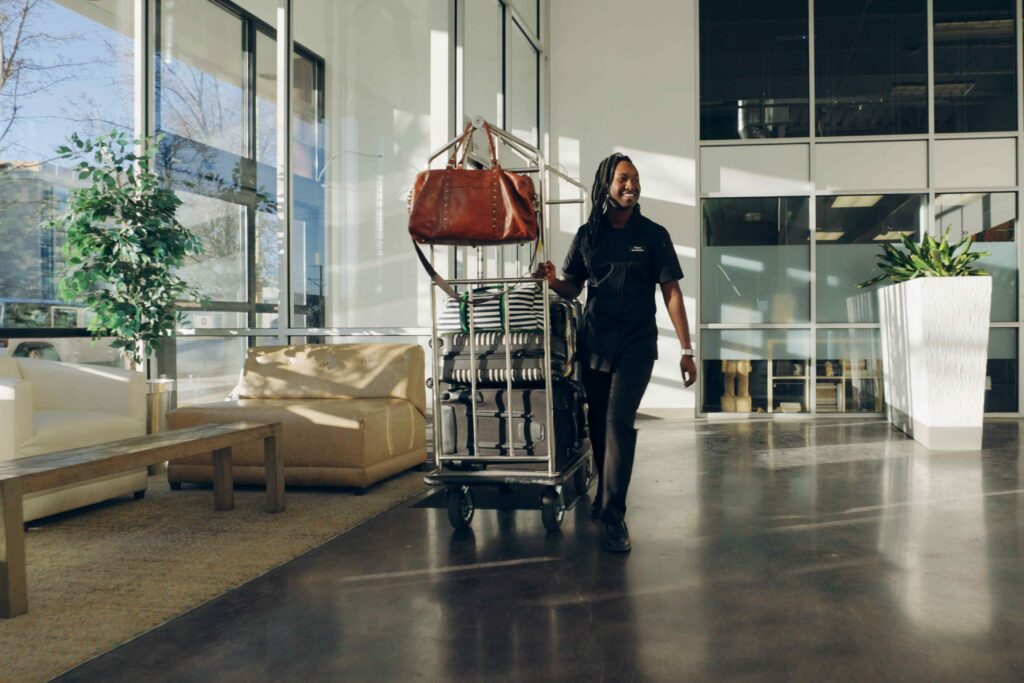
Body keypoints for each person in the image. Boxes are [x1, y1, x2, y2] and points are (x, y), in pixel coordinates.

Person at [534, 153, 696, 552]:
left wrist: (687, 348)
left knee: (619, 420)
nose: (631, 186)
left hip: (637, 344)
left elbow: (671, 292)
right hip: (595, 342)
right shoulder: (588, 235)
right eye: (623, 179)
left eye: (635, 179)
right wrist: (553, 281)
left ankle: (614, 515)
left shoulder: (654, 234)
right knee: (598, 424)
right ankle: (605, 496)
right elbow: (574, 287)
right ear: (606, 184)